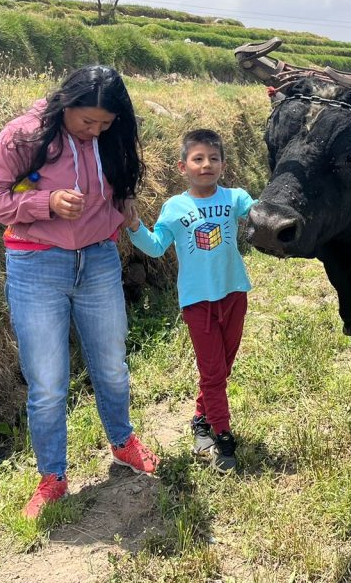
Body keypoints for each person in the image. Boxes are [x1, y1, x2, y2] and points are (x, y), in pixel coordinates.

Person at [0, 64, 159, 519]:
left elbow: (116, 187)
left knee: (113, 366)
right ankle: (52, 477)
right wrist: (45, 204)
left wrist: (122, 206)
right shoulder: (27, 135)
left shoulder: (110, 139)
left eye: (105, 123)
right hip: (36, 264)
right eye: (87, 122)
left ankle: (123, 443)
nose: (95, 130)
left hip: (97, 260)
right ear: (66, 104)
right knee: (48, 383)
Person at [127, 128, 255, 473]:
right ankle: (224, 438)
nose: (206, 164)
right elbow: (154, 246)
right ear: (183, 166)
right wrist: (135, 225)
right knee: (213, 372)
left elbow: (260, 214)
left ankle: (201, 417)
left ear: (223, 165)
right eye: (198, 158)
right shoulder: (175, 206)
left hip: (234, 293)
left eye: (214, 158)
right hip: (197, 301)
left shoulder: (235, 198)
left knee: (221, 368)